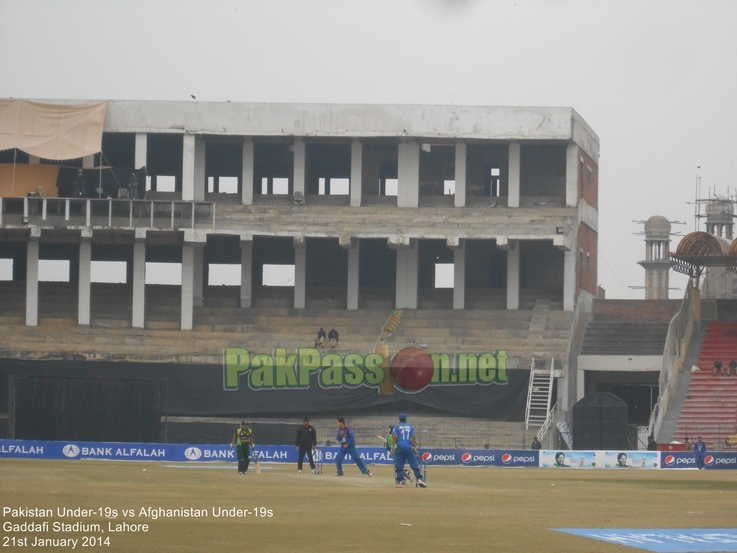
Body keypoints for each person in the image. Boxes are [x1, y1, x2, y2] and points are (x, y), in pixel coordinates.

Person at [391, 413, 426, 488]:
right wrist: (415, 447)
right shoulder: (410, 427)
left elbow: (394, 437)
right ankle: (419, 479)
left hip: (400, 447)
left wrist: (393, 446)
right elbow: (413, 438)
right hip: (408, 447)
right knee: (414, 464)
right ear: (405, 419)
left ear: (399, 419)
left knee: (399, 465)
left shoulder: (396, 427)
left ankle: (400, 481)